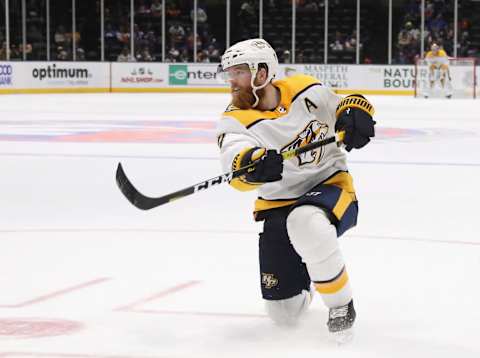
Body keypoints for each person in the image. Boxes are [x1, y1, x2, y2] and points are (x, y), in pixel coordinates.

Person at [216, 38, 375, 339]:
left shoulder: (306, 89)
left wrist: (356, 112)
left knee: (305, 222)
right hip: (278, 204)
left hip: (329, 184)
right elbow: (233, 166)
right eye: (229, 74)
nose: (231, 81)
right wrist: (252, 163)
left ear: (262, 73)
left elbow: (345, 102)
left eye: (238, 72)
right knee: (285, 314)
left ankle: (341, 306)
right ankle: (316, 268)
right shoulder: (234, 120)